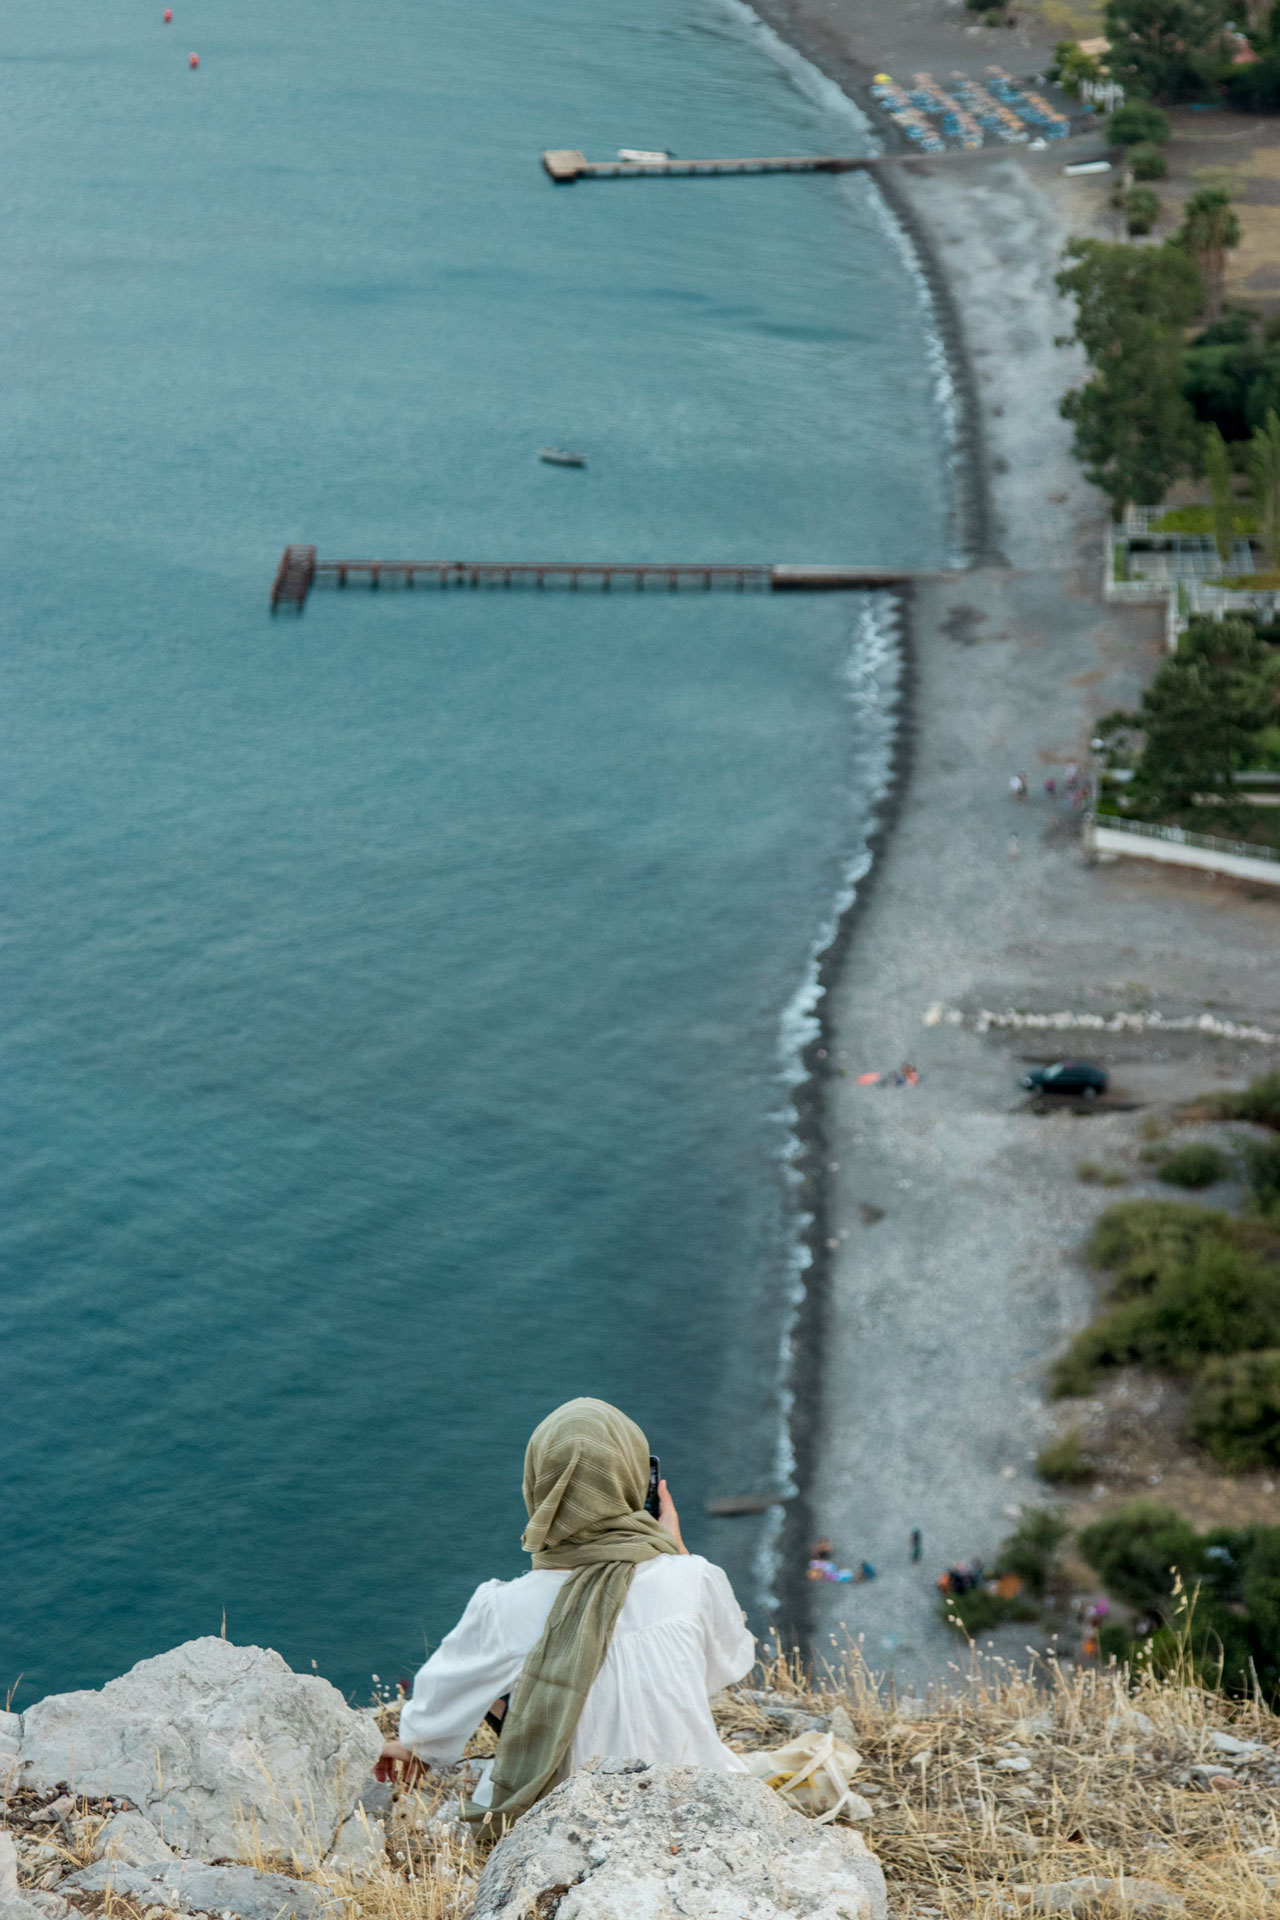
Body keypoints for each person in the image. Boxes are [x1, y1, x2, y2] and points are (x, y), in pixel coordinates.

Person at [375, 1397, 755, 1826]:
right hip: (696, 1801)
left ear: (540, 1487)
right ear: (633, 1480)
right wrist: (678, 1554)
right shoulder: (693, 1579)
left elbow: (436, 1708)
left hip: (568, 1822)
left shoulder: (504, 1608)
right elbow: (726, 1667)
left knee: (496, 1679)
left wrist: (415, 1750)